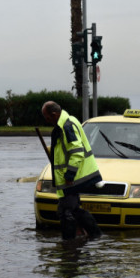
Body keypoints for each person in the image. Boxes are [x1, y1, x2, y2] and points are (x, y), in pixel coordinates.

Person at [41, 101, 103, 242]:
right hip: (71, 178)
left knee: (67, 212)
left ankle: (69, 243)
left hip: (73, 178)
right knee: (71, 210)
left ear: (54, 114)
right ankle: (92, 237)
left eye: (48, 117)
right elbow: (65, 150)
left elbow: (77, 152)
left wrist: (70, 174)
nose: (47, 120)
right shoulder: (67, 122)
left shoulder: (66, 126)